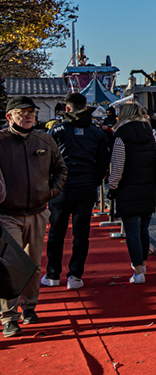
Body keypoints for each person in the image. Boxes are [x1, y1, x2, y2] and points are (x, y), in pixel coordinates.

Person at [0, 96, 67, 337]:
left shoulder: (45, 140)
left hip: (38, 212)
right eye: (22, 112)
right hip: (8, 214)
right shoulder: (1, 141)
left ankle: (29, 307)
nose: (29, 115)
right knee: (10, 266)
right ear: (10, 116)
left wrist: (52, 191)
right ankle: (9, 317)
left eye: (32, 112)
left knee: (34, 265)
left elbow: (61, 168)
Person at [44, 93, 110, 290]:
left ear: (67, 108)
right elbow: (103, 162)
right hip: (87, 186)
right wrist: (95, 180)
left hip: (61, 187)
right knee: (81, 233)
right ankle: (75, 275)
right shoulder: (96, 133)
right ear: (85, 107)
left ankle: (53, 274)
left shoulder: (56, 131)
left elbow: (47, 160)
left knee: (56, 231)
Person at [108, 102, 156, 285]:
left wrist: (112, 186)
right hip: (148, 185)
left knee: (131, 230)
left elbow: (118, 164)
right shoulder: (150, 133)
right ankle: (143, 265)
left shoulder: (120, 135)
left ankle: (138, 271)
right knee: (144, 228)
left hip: (128, 187)